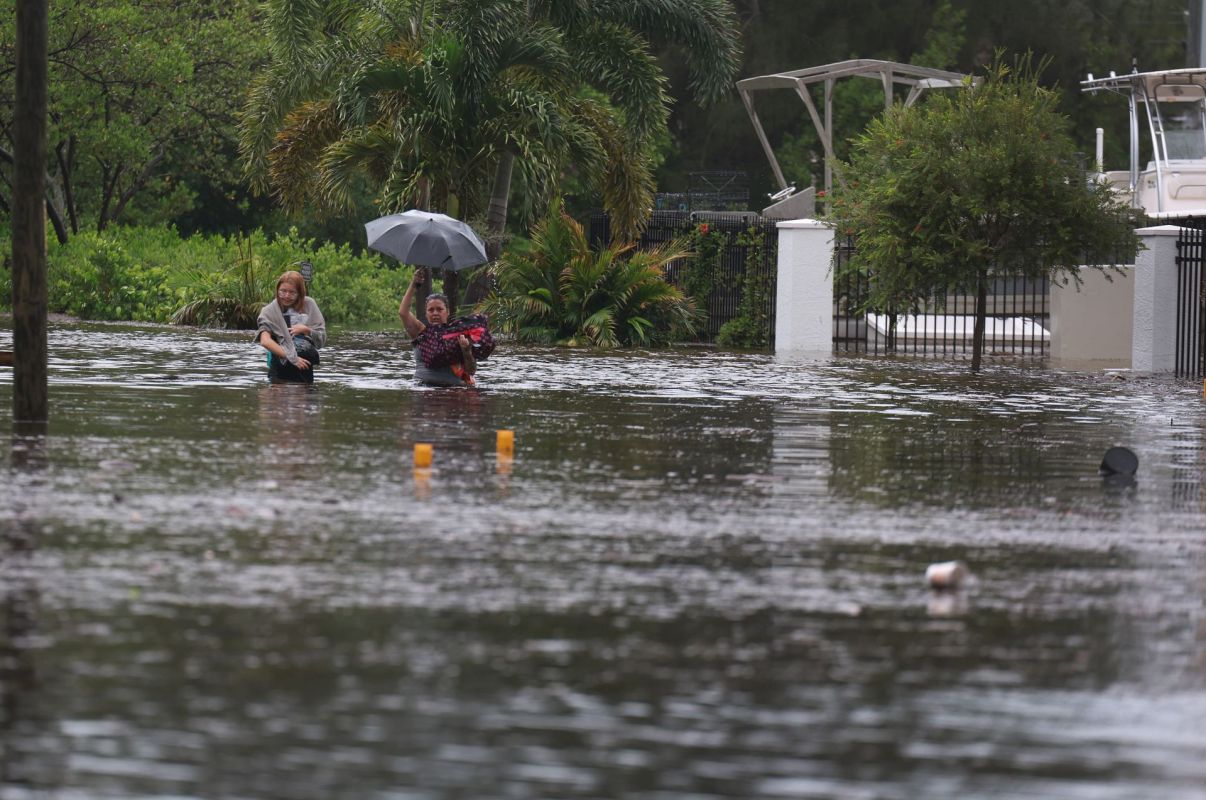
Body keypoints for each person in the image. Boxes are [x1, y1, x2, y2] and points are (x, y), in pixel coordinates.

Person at [399, 267, 477, 386]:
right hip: (423, 388)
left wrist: (466, 351)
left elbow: (471, 371)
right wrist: (414, 284)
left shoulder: (459, 335)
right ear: (426, 313)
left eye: (439, 309)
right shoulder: (421, 332)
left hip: (452, 391)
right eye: (431, 310)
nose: (435, 313)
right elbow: (403, 313)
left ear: (448, 311)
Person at [256, 270, 327, 383]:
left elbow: (321, 338)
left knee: (304, 398)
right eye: (283, 291)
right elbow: (265, 341)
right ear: (277, 290)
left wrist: (306, 330)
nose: (287, 296)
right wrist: (292, 357)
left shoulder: (309, 305)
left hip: (304, 367)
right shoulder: (269, 311)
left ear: (300, 293)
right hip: (280, 367)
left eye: (292, 292)